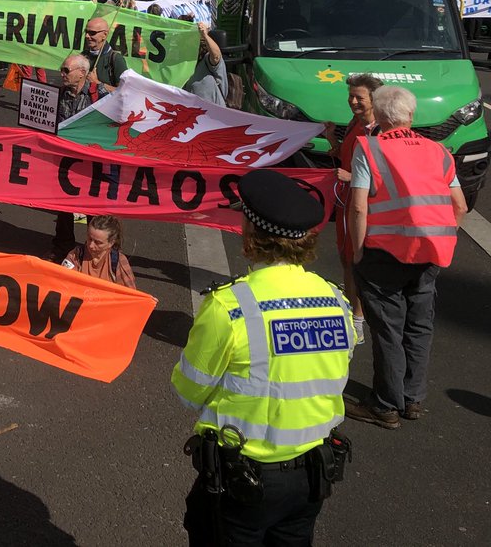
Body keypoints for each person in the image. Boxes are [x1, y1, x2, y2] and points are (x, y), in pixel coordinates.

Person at [173, 168, 353, 546]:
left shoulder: (230, 305)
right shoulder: (336, 300)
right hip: (311, 476)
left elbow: (189, 389)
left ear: (251, 236)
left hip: (244, 478)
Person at [345, 85, 466, 430]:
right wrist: (441, 238)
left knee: (388, 328)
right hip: (430, 253)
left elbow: (358, 207)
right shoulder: (439, 151)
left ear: (379, 116)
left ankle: (385, 404)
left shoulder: (369, 148)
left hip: (384, 253)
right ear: (411, 116)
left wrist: (357, 249)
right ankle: (412, 399)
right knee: (419, 327)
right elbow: (459, 206)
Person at [323, 73, 382, 346]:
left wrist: (351, 178)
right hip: (346, 202)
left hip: (363, 205)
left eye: (360, 97)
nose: (354, 102)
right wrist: (332, 140)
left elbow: (385, 174)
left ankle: (357, 322)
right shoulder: (354, 124)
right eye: (351, 97)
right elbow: (346, 156)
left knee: (356, 262)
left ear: (375, 100)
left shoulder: (379, 131)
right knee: (347, 261)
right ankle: (354, 313)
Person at [52, 53, 94, 253]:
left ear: (82, 74)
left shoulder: (99, 95)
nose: (62, 74)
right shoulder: (59, 94)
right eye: (62, 69)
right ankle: (62, 247)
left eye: (66, 70)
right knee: (63, 206)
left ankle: (95, 251)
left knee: (94, 209)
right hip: (65, 161)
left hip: (91, 163)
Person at [59, 215, 137, 288]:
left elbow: (130, 294)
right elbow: (63, 283)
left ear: (111, 243)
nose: (91, 246)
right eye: (89, 239)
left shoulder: (118, 261)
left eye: (98, 242)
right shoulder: (76, 255)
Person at [82, 16, 127, 100]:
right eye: (86, 32)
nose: (87, 36)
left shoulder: (116, 59)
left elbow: (124, 92)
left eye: (92, 33)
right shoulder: (83, 56)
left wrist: (97, 83)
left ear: (104, 35)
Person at [184, 22, 228, 106]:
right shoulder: (184, 63)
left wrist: (205, 35)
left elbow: (216, 56)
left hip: (213, 114)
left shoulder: (207, 59)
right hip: (192, 112)